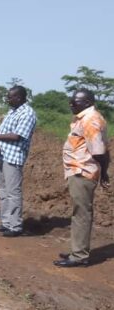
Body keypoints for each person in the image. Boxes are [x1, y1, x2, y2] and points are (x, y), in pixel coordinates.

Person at [54, 89, 109, 268]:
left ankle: (79, 256)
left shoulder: (90, 120)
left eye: (75, 101)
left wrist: (104, 172)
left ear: (87, 102)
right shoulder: (83, 118)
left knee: (82, 214)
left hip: (83, 172)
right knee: (79, 212)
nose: (71, 103)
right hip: (79, 171)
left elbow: (100, 151)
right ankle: (77, 251)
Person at [0, 85, 37, 237]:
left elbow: (17, 136)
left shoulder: (27, 113)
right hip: (2, 155)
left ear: (20, 97)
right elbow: (2, 131)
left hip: (13, 157)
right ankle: (6, 223)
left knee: (13, 193)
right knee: (3, 192)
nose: (7, 99)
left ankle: (15, 226)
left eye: (10, 97)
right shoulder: (12, 112)